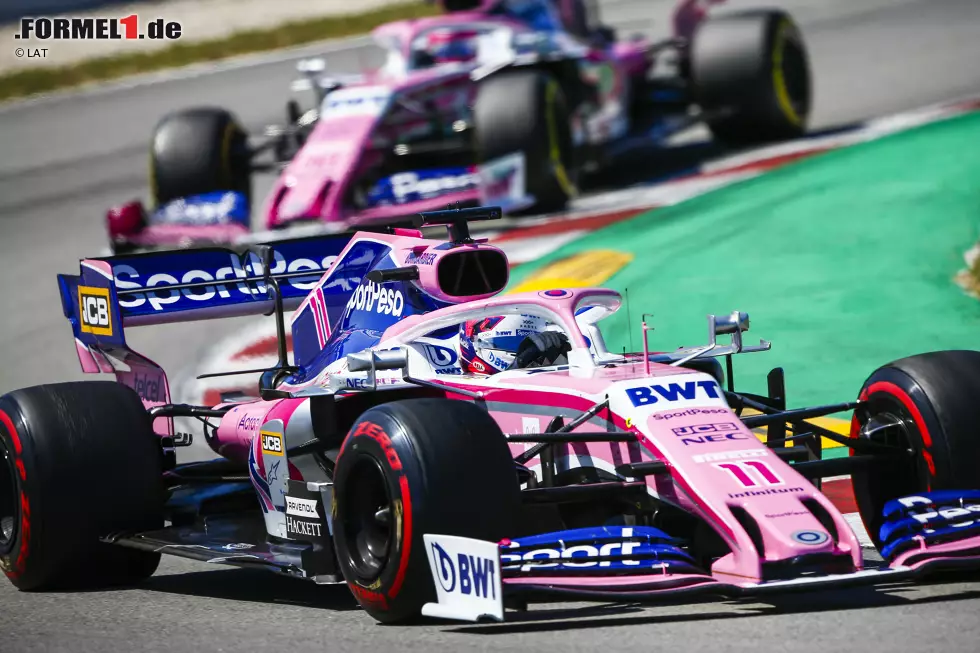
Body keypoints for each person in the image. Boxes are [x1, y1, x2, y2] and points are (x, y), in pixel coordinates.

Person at [459, 314, 572, 374]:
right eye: (511, 342)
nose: (524, 352)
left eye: (528, 345)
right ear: (474, 341)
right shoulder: (458, 390)